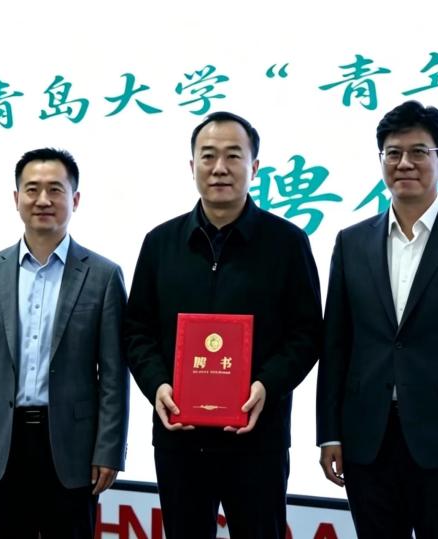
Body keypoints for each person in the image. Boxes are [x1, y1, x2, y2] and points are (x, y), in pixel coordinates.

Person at [316, 100, 438, 538]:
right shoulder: (352, 242)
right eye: (393, 153)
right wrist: (329, 434)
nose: (404, 163)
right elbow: (335, 346)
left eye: (418, 152)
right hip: (367, 441)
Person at [124, 111, 322, 539]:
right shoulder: (160, 243)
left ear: (254, 167)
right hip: (179, 437)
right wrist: (158, 385)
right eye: (208, 155)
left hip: (258, 437)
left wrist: (266, 385)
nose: (219, 168)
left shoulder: (287, 243)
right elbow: (137, 330)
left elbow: (307, 333)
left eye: (233, 156)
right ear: (191, 165)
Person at [0, 147, 129, 539]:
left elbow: (115, 377)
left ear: (75, 200)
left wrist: (109, 451)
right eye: (32, 189)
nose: (43, 200)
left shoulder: (103, 276)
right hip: (0, 444)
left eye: (55, 190)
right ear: (16, 198)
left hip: (72, 448)